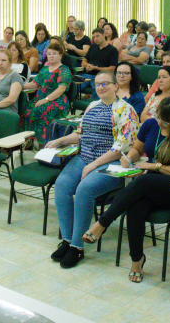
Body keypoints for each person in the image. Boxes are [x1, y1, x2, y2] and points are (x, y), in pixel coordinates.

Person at [83, 96, 170, 281]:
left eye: (164, 120)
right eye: (158, 117)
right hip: (151, 187)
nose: (159, 122)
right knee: (135, 209)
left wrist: (156, 167)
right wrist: (130, 158)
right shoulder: (151, 125)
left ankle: (102, 223)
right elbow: (137, 148)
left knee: (142, 182)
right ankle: (137, 260)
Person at [48, 71, 139, 268]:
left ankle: (77, 247)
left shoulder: (126, 110)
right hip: (85, 157)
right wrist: (60, 140)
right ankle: (67, 239)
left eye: (106, 83)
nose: (101, 87)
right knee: (62, 185)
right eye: (98, 84)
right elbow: (80, 134)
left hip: (111, 163)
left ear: (115, 86)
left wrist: (94, 164)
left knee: (84, 190)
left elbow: (121, 147)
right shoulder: (92, 106)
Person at [22, 41, 73, 145]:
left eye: (54, 53)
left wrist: (46, 100)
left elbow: (61, 89)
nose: (51, 56)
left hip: (56, 100)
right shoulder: (45, 69)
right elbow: (35, 84)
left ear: (60, 55)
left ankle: (44, 143)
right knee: (25, 110)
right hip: (39, 98)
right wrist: (19, 86)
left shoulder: (64, 69)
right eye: (49, 54)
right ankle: (29, 140)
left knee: (39, 111)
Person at [80, 28, 119, 97]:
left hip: (101, 77)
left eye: (97, 36)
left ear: (104, 35)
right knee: (73, 87)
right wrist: (88, 65)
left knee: (98, 90)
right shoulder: (93, 47)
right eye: (94, 37)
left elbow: (112, 69)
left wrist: (96, 68)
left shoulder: (112, 50)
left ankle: (92, 105)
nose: (95, 39)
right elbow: (83, 62)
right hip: (87, 75)